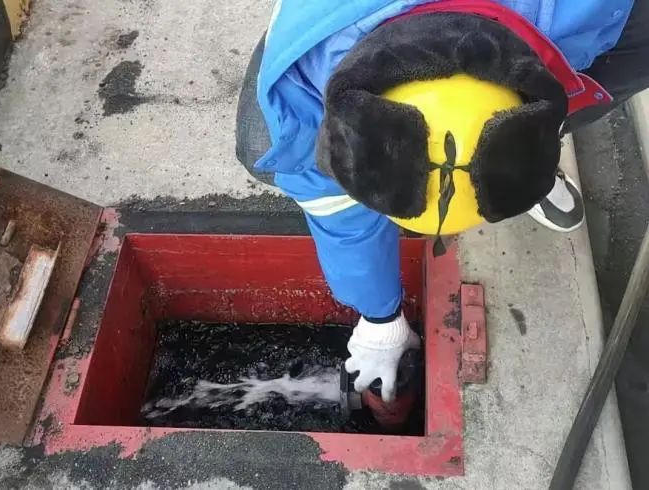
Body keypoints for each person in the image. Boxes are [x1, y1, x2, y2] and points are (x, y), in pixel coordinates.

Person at [235, 0, 649, 402]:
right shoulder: (303, 94)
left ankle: (526, 158)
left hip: (595, 23)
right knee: (263, 149)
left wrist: (532, 149)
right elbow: (337, 213)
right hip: (334, 20)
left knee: (614, 68)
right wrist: (379, 315)